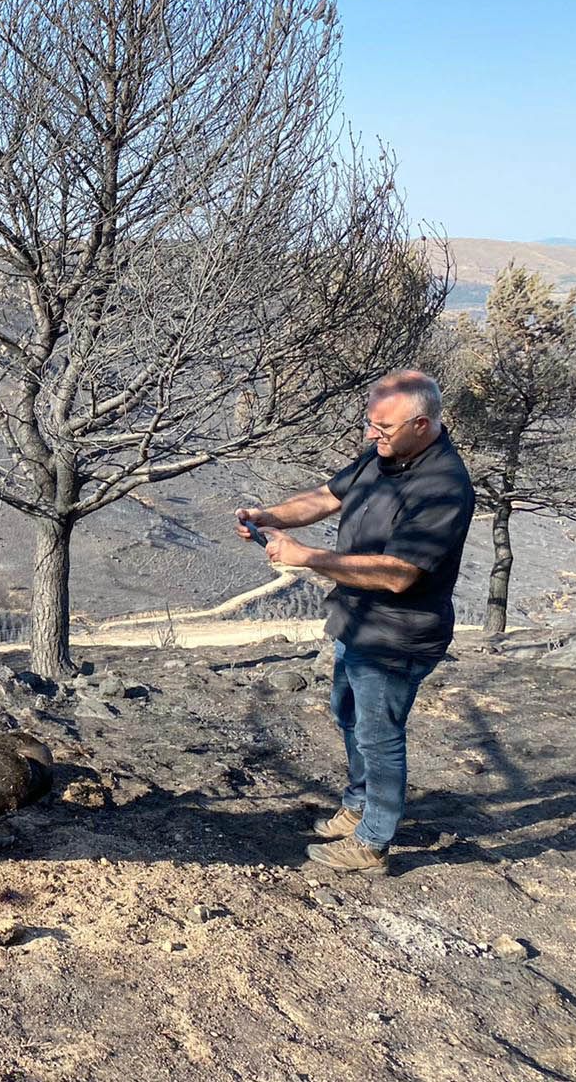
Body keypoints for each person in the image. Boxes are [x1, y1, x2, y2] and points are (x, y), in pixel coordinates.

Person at [236, 370, 474, 876]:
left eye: (382, 428)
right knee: (348, 715)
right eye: (370, 424)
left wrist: (307, 557)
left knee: (379, 732)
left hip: (398, 634)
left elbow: (399, 575)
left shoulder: (443, 488)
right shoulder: (386, 455)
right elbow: (326, 496)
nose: (371, 435)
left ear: (422, 424)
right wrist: (268, 514)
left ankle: (373, 841)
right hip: (357, 622)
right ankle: (359, 804)